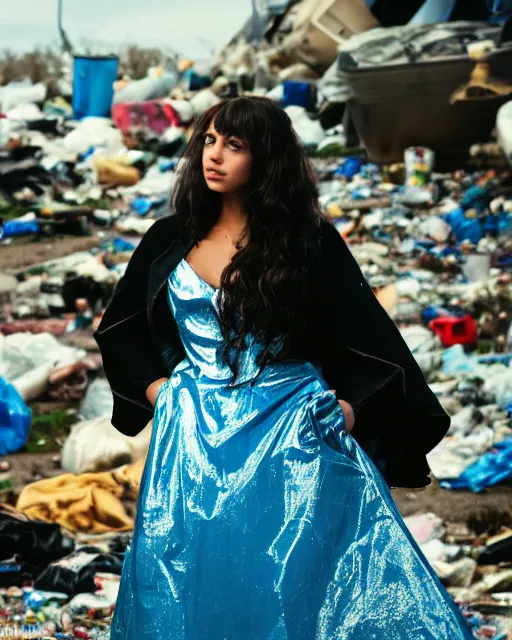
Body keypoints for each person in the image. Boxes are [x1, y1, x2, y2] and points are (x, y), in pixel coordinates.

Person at [95, 96, 474, 639]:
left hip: (288, 432)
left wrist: (349, 406)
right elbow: (120, 328)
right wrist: (160, 391)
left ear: (266, 159)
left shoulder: (307, 241)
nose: (215, 156)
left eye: (235, 145)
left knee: (298, 583)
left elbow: (367, 335)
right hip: (191, 438)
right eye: (209, 140)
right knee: (191, 576)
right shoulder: (167, 238)